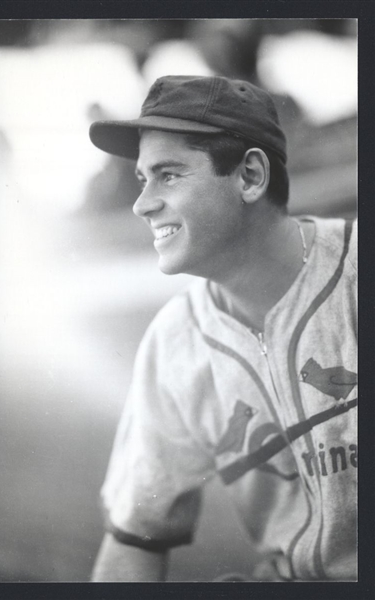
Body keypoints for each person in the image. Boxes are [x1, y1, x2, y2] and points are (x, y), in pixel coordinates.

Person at [88, 75, 357, 582]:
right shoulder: (175, 343)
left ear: (250, 175)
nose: (142, 202)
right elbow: (133, 541)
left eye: (167, 175)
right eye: (142, 178)